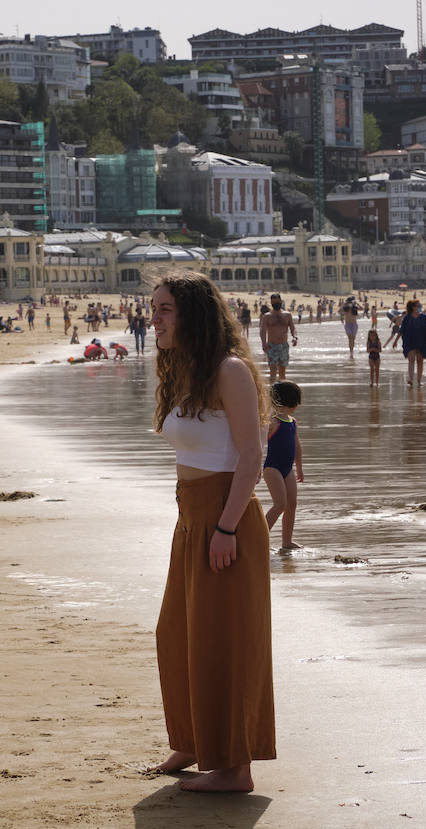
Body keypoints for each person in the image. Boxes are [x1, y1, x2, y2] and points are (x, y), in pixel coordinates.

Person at [148, 270, 275, 793]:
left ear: (193, 315)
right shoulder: (186, 371)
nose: (152, 318)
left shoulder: (230, 371)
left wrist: (225, 527)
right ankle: (195, 742)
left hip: (227, 519)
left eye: (164, 310)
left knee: (225, 642)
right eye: (153, 308)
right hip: (191, 519)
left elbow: (252, 456)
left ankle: (234, 767)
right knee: (178, 635)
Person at [262, 381, 304, 553]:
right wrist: (255, 467)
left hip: (288, 469)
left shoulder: (292, 422)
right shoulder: (272, 422)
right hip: (272, 468)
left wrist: (299, 467)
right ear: (291, 402)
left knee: (291, 504)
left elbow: (297, 445)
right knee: (280, 504)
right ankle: (259, 538)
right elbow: (259, 445)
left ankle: (287, 542)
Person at [258, 293, 297, 383]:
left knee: (282, 373)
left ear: (281, 301)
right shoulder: (267, 316)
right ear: (271, 303)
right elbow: (263, 330)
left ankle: (282, 393)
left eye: (278, 302)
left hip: (284, 346)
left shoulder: (287, 315)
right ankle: (272, 393)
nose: (276, 304)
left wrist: (295, 337)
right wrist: (263, 343)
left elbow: (293, 328)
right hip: (272, 346)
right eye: (274, 302)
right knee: (273, 372)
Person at [399, 300, 426, 388]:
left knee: (420, 361)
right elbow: (402, 330)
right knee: (411, 360)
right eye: (418, 305)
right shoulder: (407, 318)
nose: (420, 306)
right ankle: (410, 379)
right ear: (413, 307)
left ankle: (419, 380)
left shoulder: (423, 317)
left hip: (422, 342)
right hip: (410, 341)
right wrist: (395, 341)